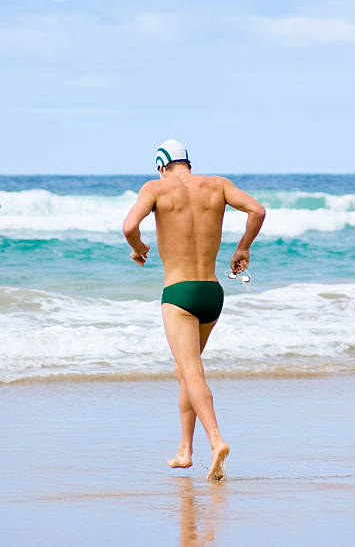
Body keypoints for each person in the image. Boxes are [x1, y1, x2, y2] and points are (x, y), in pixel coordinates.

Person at [123, 139, 266, 481]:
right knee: (185, 371)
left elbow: (129, 226)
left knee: (191, 372)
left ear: (161, 166)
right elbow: (258, 211)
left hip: (179, 293)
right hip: (211, 293)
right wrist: (242, 248)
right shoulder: (217, 185)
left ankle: (216, 441)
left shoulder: (155, 188)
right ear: (188, 162)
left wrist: (139, 247)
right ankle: (185, 451)